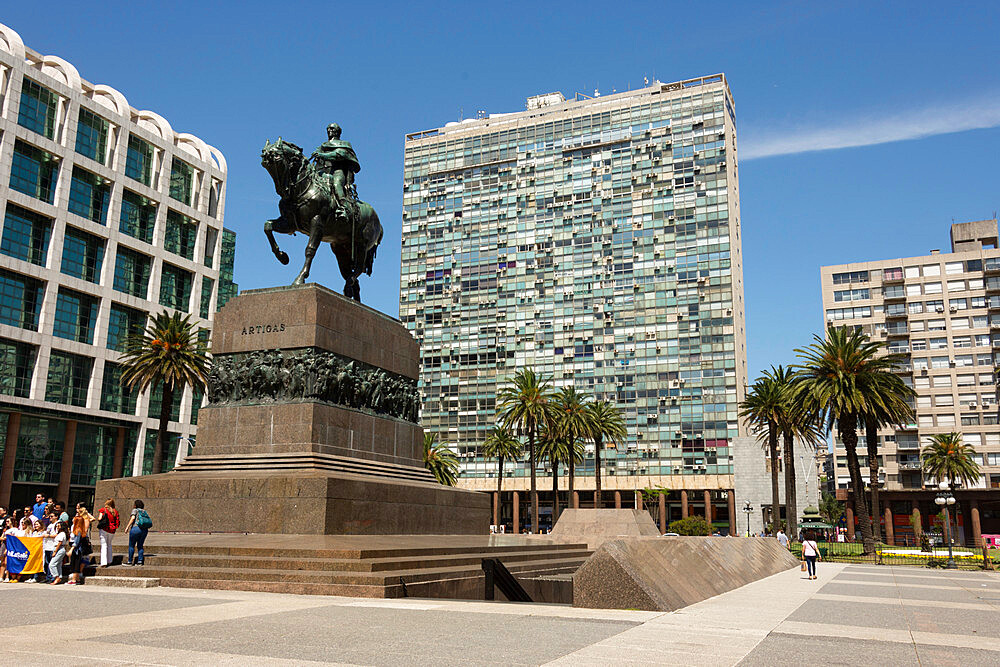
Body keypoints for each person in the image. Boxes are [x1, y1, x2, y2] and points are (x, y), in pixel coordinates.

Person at [311, 123, 361, 222]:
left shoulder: (344, 144)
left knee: (336, 184)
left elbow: (339, 155)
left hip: (337, 171)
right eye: (328, 129)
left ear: (337, 131)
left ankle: (343, 208)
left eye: (332, 129)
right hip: (324, 172)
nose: (329, 130)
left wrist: (323, 155)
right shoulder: (323, 145)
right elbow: (318, 157)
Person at [124, 500, 151, 566]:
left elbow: (133, 518)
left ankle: (130, 561)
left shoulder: (135, 510)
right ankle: (140, 561)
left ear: (135, 505)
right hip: (144, 530)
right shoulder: (144, 511)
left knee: (131, 545)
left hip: (136, 529)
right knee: (140, 546)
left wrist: (127, 527)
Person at [95, 499, 120, 567]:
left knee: (104, 545)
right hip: (112, 530)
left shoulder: (103, 510)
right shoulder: (115, 511)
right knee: (109, 544)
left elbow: (99, 518)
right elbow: (117, 521)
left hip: (104, 529)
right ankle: (109, 560)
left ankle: (103, 562)